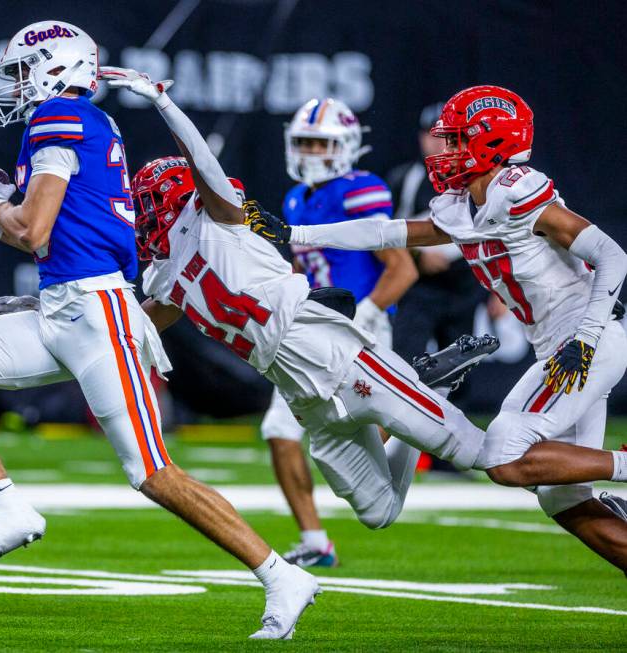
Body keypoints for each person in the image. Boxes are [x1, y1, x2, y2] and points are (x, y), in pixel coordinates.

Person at [0, 21, 319, 641]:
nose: (14, 87)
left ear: (54, 68)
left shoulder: (58, 119)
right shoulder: (75, 123)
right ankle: (9, 506)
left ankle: (281, 573)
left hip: (98, 316)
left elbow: (33, 229)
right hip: (63, 307)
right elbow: (60, 229)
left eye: (22, 72)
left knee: (152, 473)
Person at [100, 65, 501, 550]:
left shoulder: (220, 215)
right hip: (289, 375)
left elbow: (202, 163)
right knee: (378, 512)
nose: (139, 217)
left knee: (472, 451)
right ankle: (425, 387)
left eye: (146, 204)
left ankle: (612, 469)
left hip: (323, 340)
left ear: (173, 199)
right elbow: (128, 322)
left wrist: (165, 104)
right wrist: (60, 311)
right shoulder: (163, 274)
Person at [246, 85, 627, 572]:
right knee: (565, 500)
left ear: (490, 142)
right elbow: (386, 232)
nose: (444, 151)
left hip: (586, 336)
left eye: (456, 140)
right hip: (556, 342)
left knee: (504, 451)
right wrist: (295, 233)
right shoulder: (460, 204)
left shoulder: (516, 191)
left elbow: (610, 254)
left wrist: (587, 337)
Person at [261, 98, 417, 568]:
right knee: (279, 431)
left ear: (346, 146)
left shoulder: (361, 189)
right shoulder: (294, 198)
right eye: (304, 141)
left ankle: (453, 417)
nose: (310, 151)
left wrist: (369, 312)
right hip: (310, 335)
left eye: (321, 143)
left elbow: (402, 266)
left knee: (399, 426)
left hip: (358, 332)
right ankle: (315, 540)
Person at [387, 102, 484, 371]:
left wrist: (494, 295)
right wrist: (418, 255)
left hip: (464, 288)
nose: (440, 144)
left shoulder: (480, 179)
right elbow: (384, 234)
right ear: (420, 138)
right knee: (405, 361)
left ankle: (452, 413)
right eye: (433, 135)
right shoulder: (404, 178)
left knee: (459, 370)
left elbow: (493, 231)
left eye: (449, 138)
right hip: (419, 288)